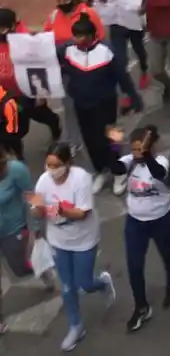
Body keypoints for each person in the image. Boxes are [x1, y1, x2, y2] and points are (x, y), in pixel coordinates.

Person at [29, 142, 115, 351]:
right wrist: (37, 210)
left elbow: (82, 213)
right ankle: (76, 326)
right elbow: (37, 209)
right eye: (48, 165)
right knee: (67, 287)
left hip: (83, 239)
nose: (51, 170)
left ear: (68, 163)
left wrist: (62, 211)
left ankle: (102, 283)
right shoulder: (43, 181)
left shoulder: (81, 178)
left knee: (84, 284)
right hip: (58, 239)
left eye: (56, 165)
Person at [107, 124, 170, 332]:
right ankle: (141, 307)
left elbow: (158, 173)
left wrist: (146, 155)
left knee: (167, 255)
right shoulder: (130, 161)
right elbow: (116, 168)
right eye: (134, 149)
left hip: (162, 220)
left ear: (152, 147)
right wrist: (114, 146)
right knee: (134, 266)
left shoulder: (162, 162)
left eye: (141, 149)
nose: (137, 154)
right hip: (136, 222)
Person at [62, 16, 141, 194]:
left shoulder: (106, 51)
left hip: (105, 104)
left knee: (111, 138)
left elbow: (122, 76)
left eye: (81, 36)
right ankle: (101, 170)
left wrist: (133, 97)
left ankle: (119, 171)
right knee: (90, 140)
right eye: (75, 36)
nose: (78, 39)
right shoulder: (68, 51)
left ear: (92, 35)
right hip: (81, 105)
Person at [0, 8, 61, 149]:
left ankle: (54, 124)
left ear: (12, 26)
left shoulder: (26, 41)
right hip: (5, 94)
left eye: (2, 28)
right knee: (12, 128)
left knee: (37, 114)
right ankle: (14, 153)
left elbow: (37, 66)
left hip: (25, 92)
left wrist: (40, 92)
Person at [0, 144, 41, 331]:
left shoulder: (17, 170)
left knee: (21, 269)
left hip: (13, 229)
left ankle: (44, 268)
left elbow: (33, 198)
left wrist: (35, 229)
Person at [107, 0, 148, 124]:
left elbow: (144, 3)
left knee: (139, 50)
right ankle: (127, 95)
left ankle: (144, 69)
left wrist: (141, 9)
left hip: (134, 25)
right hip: (116, 27)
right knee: (119, 62)